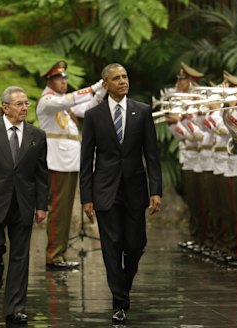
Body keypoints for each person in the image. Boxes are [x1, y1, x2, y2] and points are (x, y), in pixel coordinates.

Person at [79, 63, 162, 323]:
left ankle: (123, 286)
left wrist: (156, 190)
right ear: (105, 84)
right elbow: (86, 159)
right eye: (116, 78)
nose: (123, 81)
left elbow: (152, 154)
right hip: (105, 190)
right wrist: (87, 197)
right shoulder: (94, 116)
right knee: (111, 246)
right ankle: (118, 301)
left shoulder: (143, 111)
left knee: (136, 245)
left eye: (125, 76)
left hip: (135, 189)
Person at [0, 86, 49, 324]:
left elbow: (41, 174)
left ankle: (15, 308)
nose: (25, 108)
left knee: (20, 257)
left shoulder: (37, 135)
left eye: (27, 103)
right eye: (19, 104)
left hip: (23, 203)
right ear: (5, 107)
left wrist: (41, 205)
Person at [36, 60, 105, 270]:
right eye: (60, 78)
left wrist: (102, 92)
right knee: (58, 211)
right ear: (50, 81)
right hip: (58, 163)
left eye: (65, 78)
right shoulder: (48, 101)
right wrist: (94, 87)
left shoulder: (62, 104)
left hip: (69, 163)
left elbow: (88, 108)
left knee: (64, 211)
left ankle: (59, 254)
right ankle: (54, 255)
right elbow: (71, 100)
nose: (64, 82)